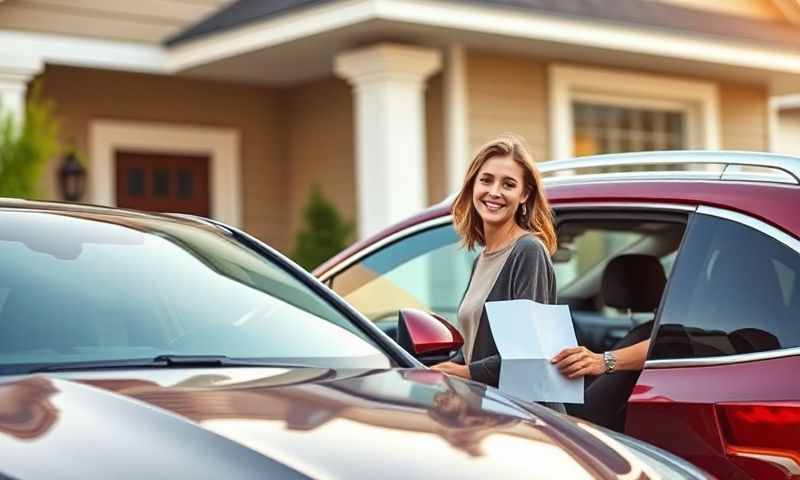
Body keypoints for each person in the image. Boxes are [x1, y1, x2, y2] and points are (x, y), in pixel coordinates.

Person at [431, 133, 564, 413]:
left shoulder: (527, 251)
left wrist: (463, 374)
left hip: (526, 420)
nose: (494, 192)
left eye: (508, 184)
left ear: (524, 194)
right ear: (473, 186)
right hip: (488, 413)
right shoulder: (483, 258)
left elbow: (528, 358)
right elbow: (476, 349)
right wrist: (441, 370)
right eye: (486, 180)